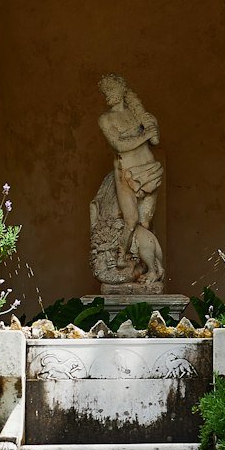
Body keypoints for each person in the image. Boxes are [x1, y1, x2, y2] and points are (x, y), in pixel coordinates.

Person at [97, 73, 164, 288]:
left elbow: (155, 140)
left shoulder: (138, 113)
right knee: (131, 220)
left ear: (121, 89)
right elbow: (119, 145)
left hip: (149, 171)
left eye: (111, 89)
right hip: (125, 173)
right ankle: (121, 258)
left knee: (145, 224)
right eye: (105, 92)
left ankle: (149, 268)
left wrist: (152, 125)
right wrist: (144, 135)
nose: (107, 95)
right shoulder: (106, 119)